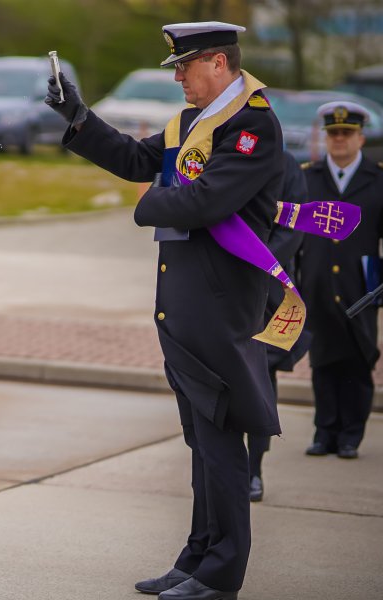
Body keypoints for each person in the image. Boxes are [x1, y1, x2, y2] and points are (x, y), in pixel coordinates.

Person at [46, 21, 283, 600]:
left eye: (186, 65)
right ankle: (199, 556)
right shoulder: (194, 124)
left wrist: (148, 202)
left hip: (222, 305)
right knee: (200, 438)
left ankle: (222, 574)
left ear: (220, 64)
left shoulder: (251, 125)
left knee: (222, 439)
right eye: (176, 67)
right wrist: (79, 118)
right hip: (185, 303)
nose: (178, 76)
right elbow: (135, 157)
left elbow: (208, 200)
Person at [300, 101, 383, 460]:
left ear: (361, 138)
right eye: (334, 133)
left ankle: (350, 435)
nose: (340, 139)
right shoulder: (307, 177)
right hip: (316, 285)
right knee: (322, 361)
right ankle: (324, 430)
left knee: (358, 361)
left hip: (361, 286)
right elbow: (294, 237)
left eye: (347, 133)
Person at [247, 149, 311, 503]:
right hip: (218, 289)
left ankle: (254, 468)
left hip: (264, 291)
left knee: (259, 381)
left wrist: (256, 260)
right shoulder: (216, 154)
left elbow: (293, 229)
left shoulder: (285, 166)